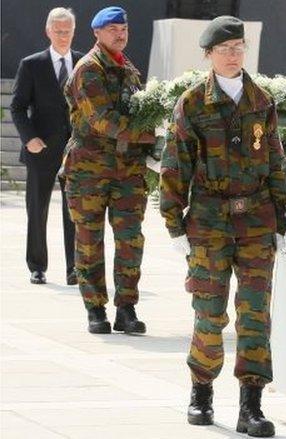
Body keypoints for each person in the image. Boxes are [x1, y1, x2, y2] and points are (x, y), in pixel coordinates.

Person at [159, 16, 286, 438]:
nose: (233, 55)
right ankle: (202, 392)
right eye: (224, 49)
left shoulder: (261, 100)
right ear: (208, 55)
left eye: (239, 48)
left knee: (255, 316)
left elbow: (275, 163)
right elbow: (175, 164)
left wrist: (284, 220)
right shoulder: (193, 103)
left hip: (255, 222)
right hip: (210, 223)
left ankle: (251, 406)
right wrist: (174, 224)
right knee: (209, 313)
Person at [62, 6, 154, 335]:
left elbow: (139, 111)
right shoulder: (89, 69)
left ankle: (126, 308)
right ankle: (95, 308)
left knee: (131, 239)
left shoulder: (128, 69)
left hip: (127, 170)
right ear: (97, 33)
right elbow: (103, 121)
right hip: (89, 169)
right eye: (113, 28)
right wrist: (149, 134)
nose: (121, 33)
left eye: (124, 28)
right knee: (89, 240)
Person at [10, 7, 81, 286]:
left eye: (67, 31)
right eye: (58, 30)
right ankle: (37, 266)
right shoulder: (31, 64)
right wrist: (29, 138)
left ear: (74, 31)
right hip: (41, 149)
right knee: (36, 210)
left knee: (73, 210)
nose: (63, 36)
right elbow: (17, 107)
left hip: (76, 150)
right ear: (48, 31)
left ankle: (74, 268)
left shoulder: (84, 62)